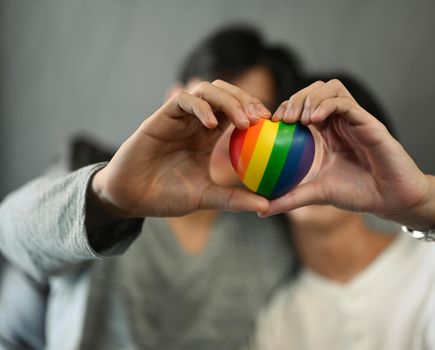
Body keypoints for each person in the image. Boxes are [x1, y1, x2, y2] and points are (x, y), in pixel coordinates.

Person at [0, 26, 303, 350]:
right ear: (174, 99)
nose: (229, 128)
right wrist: (106, 200)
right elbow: (10, 233)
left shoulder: (272, 237)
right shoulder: (100, 180)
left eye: (252, 118)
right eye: (217, 103)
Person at [251, 76, 435, 349]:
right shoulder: (275, 327)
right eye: (288, 145)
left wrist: (428, 203)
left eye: (338, 147)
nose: (314, 169)